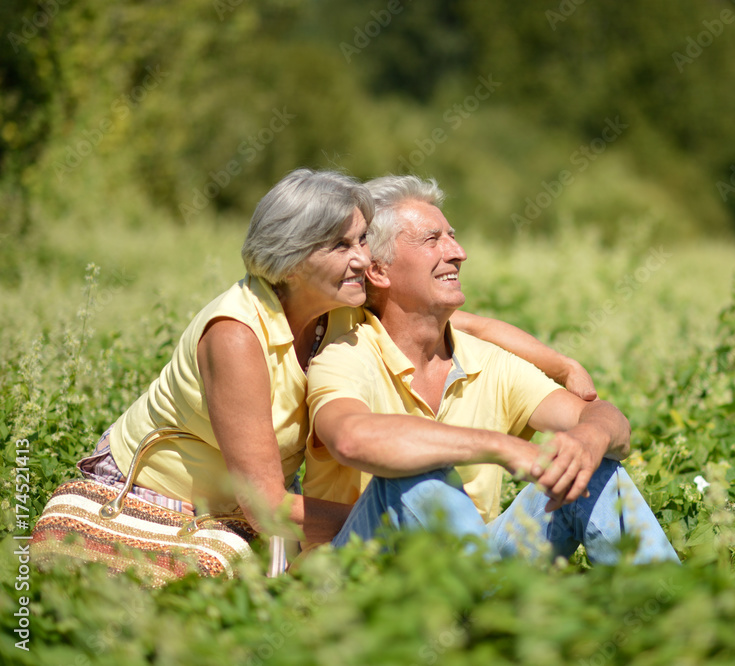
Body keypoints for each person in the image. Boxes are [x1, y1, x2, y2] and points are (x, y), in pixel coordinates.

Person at [74, 168, 596, 574]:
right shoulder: (236, 336)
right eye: (343, 245)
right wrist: (393, 531)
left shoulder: (336, 301)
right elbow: (266, 506)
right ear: (293, 258)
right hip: (160, 502)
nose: (362, 258)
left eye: (364, 240)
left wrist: (563, 364)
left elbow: (474, 325)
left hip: (245, 510)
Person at [303, 175, 680, 565]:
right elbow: (350, 438)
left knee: (594, 469)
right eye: (433, 240)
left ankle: (672, 613)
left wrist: (590, 437)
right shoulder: (346, 354)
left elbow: (605, 418)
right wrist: (500, 446)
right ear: (379, 271)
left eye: (453, 236)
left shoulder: (486, 360)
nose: (458, 252)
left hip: (477, 568)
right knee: (417, 471)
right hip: (365, 579)